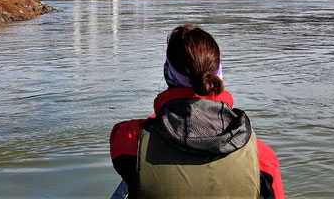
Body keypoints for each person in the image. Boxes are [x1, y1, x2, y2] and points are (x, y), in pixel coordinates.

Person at [110, 24, 285, 198]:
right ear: (218, 74)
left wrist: (158, 122)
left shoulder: (130, 139)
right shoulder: (262, 157)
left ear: (167, 73)